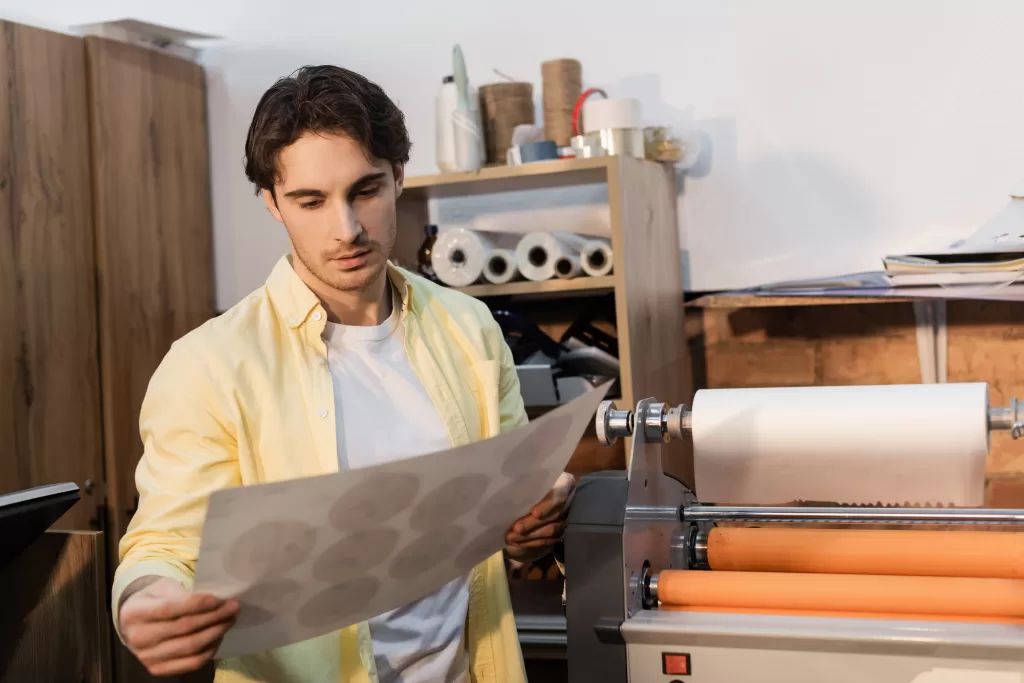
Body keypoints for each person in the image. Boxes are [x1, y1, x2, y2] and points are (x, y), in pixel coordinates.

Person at [112, 65, 575, 683]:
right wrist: (145, 601)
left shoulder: (469, 328)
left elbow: (510, 518)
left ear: (399, 176)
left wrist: (531, 527)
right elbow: (164, 546)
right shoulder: (208, 366)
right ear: (272, 203)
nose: (347, 229)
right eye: (311, 200)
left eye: (366, 190)